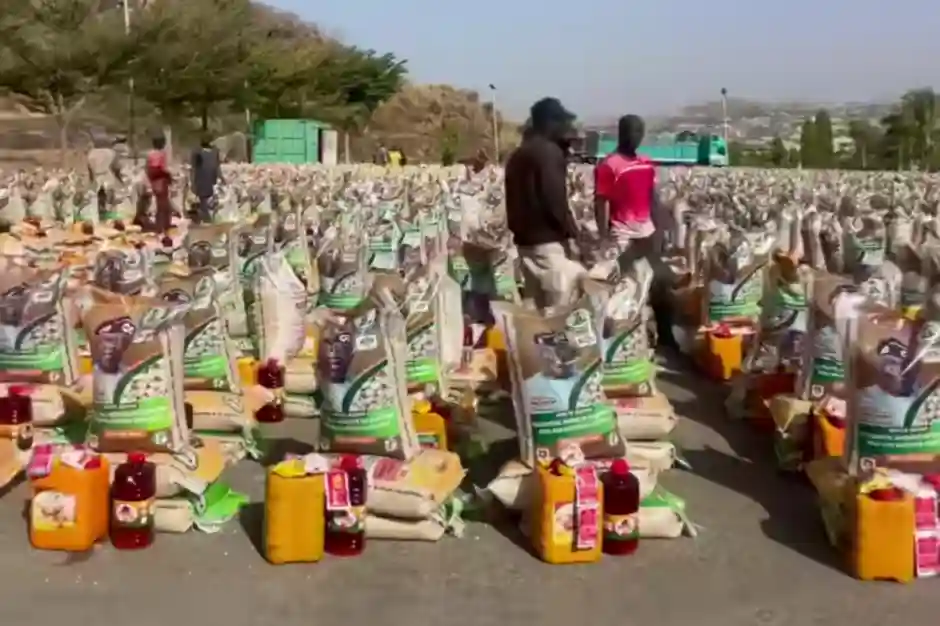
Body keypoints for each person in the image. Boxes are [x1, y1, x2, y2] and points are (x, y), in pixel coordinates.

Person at [505, 97, 583, 310]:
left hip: (525, 244)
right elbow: (554, 199)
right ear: (550, 123)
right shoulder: (549, 152)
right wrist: (572, 234)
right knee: (561, 308)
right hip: (548, 245)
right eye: (562, 122)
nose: (565, 128)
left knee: (535, 307)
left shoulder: (518, 155)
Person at [593, 114, 663, 272]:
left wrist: (658, 230)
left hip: (647, 233)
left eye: (639, 132)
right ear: (622, 133)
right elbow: (601, 203)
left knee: (645, 279)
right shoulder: (609, 165)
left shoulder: (646, 163)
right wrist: (604, 237)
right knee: (621, 277)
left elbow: (652, 198)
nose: (636, 136)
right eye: (632, 131)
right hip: (621, 236)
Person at [87, 138, 125, 219]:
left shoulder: (91, 154)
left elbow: (90, 170)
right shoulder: (111, 153)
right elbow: (116, 168)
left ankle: (101, 217)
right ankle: (111, 218)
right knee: (111, 201)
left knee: (99, 200)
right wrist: (120, 180)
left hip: (97, 178)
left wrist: (92, 181)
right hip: (108, 177)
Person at [190, 133, 222, 224]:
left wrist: (221, 178)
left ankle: (209, 220)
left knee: (210, 202)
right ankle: (207, 220)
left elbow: (217, 166)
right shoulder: (198, 152)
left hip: (208, 180)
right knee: (205, 202)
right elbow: (194, 168)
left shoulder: (213, 151)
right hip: (204, 180)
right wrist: (192, 182)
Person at [144, 134, 172, 233]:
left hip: (154, 181)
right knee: (163, 206)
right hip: (161, 181)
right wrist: (168, 175)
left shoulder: (149, 154)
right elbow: (159, 169)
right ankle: (162, 227)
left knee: (160, 205)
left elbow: (148, 169)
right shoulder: (161, 154)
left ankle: (161, 226)